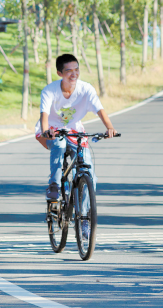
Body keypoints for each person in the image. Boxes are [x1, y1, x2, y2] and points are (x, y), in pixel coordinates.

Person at [36, 54, 117, 237]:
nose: (74, 74)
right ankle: (55, 185)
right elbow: (44, 114)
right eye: (68, 71)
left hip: (75, 130)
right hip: (53, 129)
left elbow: (99, 109)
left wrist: (109, 127)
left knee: (90, 175)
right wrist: (46, 130)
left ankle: (84, 219)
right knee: (59, 143)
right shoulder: (50, 91)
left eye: (76, 69)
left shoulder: (85, 89)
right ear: (59, 73)